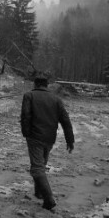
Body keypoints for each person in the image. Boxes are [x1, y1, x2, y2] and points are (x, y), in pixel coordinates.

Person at [20, 73, 74, 210]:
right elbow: (65, 120)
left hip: (34, 137)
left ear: (35, 84)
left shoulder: (29, 96)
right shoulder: (56, 99)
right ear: (46, 85)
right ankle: (39, 192)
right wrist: (70, 140)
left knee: (37, 168)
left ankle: (49, 199)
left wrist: (26, 133)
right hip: (50, 138)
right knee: (41, 164)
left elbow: (26, 116)